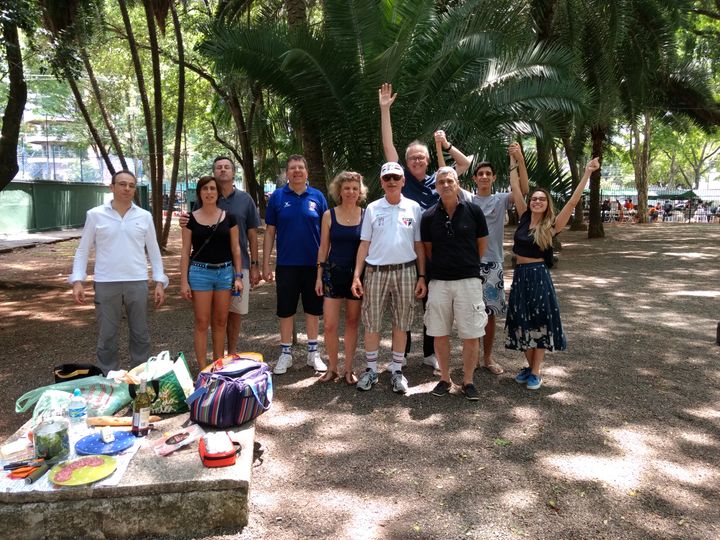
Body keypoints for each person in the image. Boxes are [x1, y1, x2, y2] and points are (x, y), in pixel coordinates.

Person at [379, 82, 473, 370]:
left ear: (428, 160)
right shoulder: (402, 178)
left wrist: (445, 145)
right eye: (412, 158)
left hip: (435, 251)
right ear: (406, 163)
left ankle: (431, 352)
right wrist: (385, 111)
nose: (416, 160)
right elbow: (388, 146)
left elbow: (465, 164)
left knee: (433, 305)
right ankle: (402, 354)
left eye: (421, 156)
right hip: (408, 249)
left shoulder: (440, 179)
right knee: (406, 306)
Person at [505, 157, 601, 390]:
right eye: (534, 198)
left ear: (547, 204)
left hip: (538, 276)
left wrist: (587, 172)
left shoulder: (551, 225)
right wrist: (514, 159)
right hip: (520, 276)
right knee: (521, 322)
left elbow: (572, 201)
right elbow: (515, 186)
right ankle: (529, 367)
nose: (537, 201)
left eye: (542, 199)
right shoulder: (523, 216)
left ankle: (536, 371)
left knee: (539, 323)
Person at [69, 170, 168, 374]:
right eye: (122, 184)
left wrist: (159, 281)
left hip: (137, 281)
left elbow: (154, 251)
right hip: (106, 282)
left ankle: (140, 380)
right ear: (112, 187)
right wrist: (77, 280)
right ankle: (108, 377)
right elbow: (83, 249)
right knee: (107, 335)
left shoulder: (144, 216)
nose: (127, 189)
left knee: (140, 334)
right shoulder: (95, 215)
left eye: (131, 185)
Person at [351, 162, 426, 395]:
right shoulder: (373, 208)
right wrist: (356, 275)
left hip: (406, 271)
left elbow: (419, 245)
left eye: (396, 177)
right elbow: (365, 243)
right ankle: (371, 370)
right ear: (382, 182)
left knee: (401, 323)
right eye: (387, 178)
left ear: (403, 181)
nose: (392, 181)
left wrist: (422, 275)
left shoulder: (414, 208)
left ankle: (397, 371)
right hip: (376, 272)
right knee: (372, 322)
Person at [180, 157, 260, 355]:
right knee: (205, 319)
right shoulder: (200, 205)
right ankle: (206, 365)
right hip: (203, 269)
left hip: (236, 267)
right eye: (219, 167)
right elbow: (191, 236)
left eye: (227, 167)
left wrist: (254, 265)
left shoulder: (244, 200)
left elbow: (250, 235)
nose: (223, 170)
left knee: (232, 315)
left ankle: (229, 355)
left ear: (233, 172)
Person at [422, 167, 489, 400]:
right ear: (436, 186)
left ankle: (468, 381)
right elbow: (428, 250)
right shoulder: (429, 216)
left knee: (470, 333)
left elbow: (481, 245)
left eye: (450, 180)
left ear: (457, 182)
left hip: (468, 281)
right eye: (441, 182)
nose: (446, 185)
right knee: (439, 333)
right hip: (439, 281)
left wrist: (465, 264)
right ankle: (444, 378)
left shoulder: (474, 211)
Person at [264, 154, 329, 375]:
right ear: (287, 173)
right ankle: (285, 354)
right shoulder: (277, 197)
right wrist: (265, 263)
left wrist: (325, 263)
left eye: (301, 167)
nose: (297, 171)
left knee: (313, 310)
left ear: (307, 172)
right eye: (293, 168)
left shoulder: (318, 197)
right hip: (286, 265)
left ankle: (313, 352)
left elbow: (326, 233)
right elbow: (270, 232)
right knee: (285, 310)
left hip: (313, 266)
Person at [472, 143, 529, 376]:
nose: (484, 177)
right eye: (480, 174)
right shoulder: (467, 200)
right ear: (475, 178)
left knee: (490, 314)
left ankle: (487, 358)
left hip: (493, 264)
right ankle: (472, 357)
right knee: (470, 313)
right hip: (470, 264)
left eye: (488, 173)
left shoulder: (501, 199)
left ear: (494, 177)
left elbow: (523, 188)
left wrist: (518, 159)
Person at [180, 176, 243, 369]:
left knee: (221, 321)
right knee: (201, 321)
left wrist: (238, 276)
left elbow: (236, 249)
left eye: (213, 189)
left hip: (224, 273)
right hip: (200, 273)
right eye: (205, 189)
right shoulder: (189, 219)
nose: (209, 192)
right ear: (199, 192)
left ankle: (218, 365)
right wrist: (184, 281)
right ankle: (202, 368)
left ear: (218, 193)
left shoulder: (229, 217)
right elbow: (184, 252)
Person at [314, 171, 367, 384]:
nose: (351, 192)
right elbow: (323, 248)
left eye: (355, 188)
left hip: (356, 277)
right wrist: (318, 276)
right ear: (339, 191)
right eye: (347, 188)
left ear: (360, 191)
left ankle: (348, 369)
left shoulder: (366, 214)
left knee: (353, 322)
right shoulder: (329, 215)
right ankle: (332, 368)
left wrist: (358, 276)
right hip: (332, 274)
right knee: (329, 325)